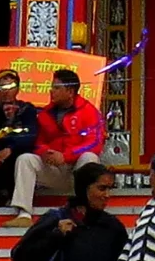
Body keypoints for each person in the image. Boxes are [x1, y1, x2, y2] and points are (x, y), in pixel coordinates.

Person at [11, 67, 106, 221]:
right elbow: (38, 142)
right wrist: (45, 152)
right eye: (52, 87)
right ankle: (23, 213)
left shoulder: (89, 111)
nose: (51, 91)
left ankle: (86, 210)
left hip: (77, 171)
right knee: (25, 159)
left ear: (70, 91)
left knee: (90, 157)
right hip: (54, 169)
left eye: (56, 88)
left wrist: (66, 156)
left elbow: (94, 143)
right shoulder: (45, 114)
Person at [12, 160, 127, 261]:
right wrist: (55, 236)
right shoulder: (56, 219)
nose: (107, 195)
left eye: (110, 189)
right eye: (101, 188)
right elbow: (19, 259)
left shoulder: (113, 227)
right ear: (84, 188)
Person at [0, 67, 42, 212]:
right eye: (3, 86)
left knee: (23, 155)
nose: (7, 90)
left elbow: (31, 134)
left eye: (12, 86)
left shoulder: (26, 109)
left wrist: (10, 148)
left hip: (14, 154)